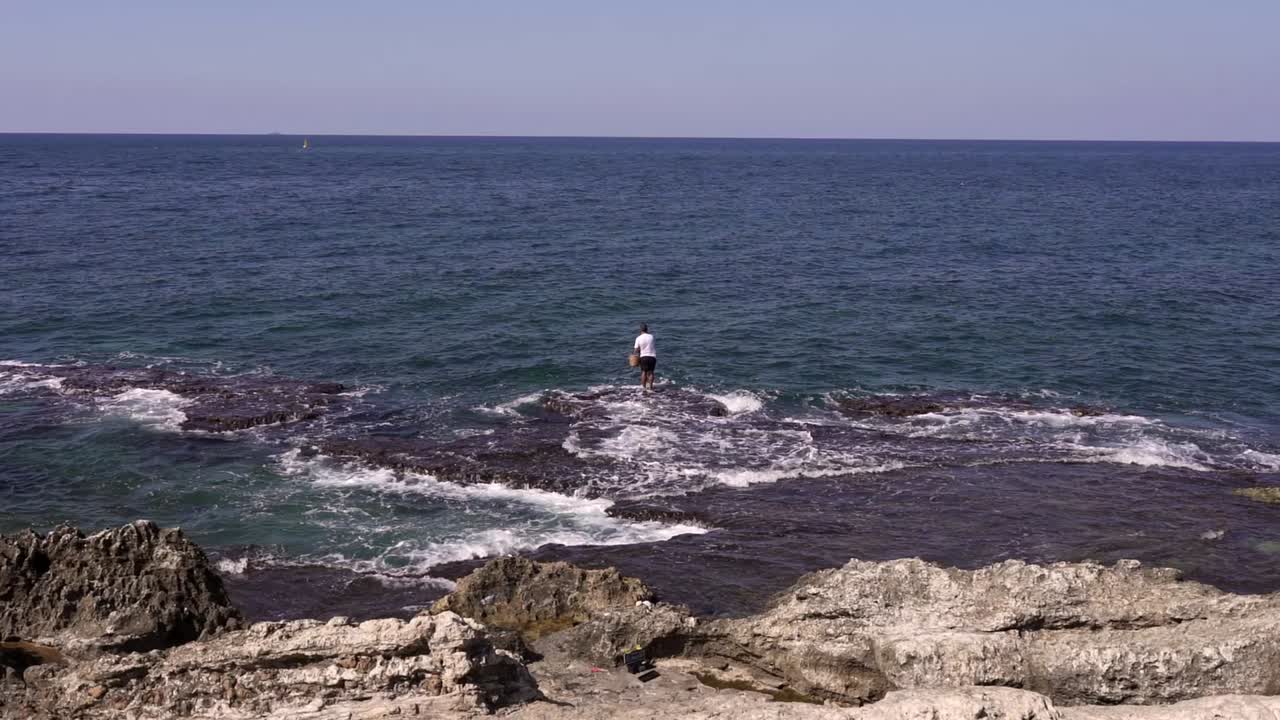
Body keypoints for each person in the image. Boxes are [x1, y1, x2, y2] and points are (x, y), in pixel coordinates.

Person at [633, 324, 656, 390]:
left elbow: (636, 350)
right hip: (652, 356)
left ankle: (644, 387)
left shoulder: (638, 338)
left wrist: (634, 354)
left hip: (643, 357)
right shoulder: (651, 336)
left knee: (644, 372)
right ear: (647, 329)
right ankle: (650, 387)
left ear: (640, 330)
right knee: (651, 372)